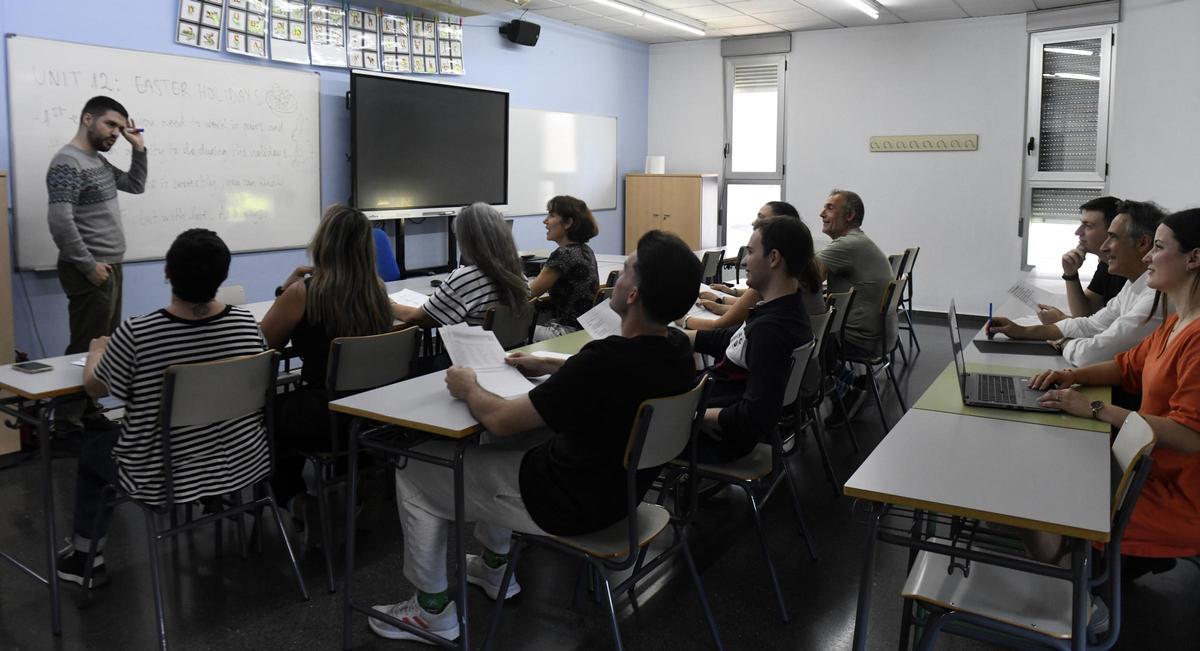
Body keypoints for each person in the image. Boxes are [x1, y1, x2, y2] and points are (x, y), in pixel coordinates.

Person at [367, 231, 701, 643]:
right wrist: (554, 365)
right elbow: (612, 379)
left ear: (633, 294)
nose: (617, 276)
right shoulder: (676, 351)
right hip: (617, 499)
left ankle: (429, 611)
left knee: (417, 466)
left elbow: (501, 419)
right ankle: (494, 567)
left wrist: (469, 386)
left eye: (627, 269)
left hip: (563, 503)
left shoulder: (604, 361)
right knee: (505, 445)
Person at [56, 229, 267, 587]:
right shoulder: (246, 324)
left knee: (93, 453)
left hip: (162, 476)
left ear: (167, 272)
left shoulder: (138, 334)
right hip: (243, 462)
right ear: (224, 275)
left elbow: (95, 387)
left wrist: (96, 352)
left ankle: (85, 558)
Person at [1028, 209, 1200, 573]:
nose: (1149, 257)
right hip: (1144, 466)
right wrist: (1072, 376)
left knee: (1043, 503)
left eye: (1159, 247)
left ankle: (1077, 588)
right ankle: (1080, 572)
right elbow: (1126, 367)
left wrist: (1094, 408)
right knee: (1045, 475)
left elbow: (1189, 435)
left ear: (1194, 258)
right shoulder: (1176, 322)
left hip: (1178, 492)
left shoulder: (1197, 338)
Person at [259, 204, 394, 527]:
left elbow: (262, 346)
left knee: (264, 415)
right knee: (295, 408)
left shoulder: (304, 293)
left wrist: (284, 291)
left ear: (324, 242)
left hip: (326, 414)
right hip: (372, 410)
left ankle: (295, 499)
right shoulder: (377, 290)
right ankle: (357, 480)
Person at [47, 96, 147, 426]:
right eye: (110, 124)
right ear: (88, 119)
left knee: (103, 344)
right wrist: (88, 265)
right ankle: (67, 422)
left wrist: (138, 149)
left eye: (120, 127)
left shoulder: (97, 161)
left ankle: (88, 412)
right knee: (85, 345)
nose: (116, 133)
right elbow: (60, 221)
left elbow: (134, 185)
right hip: (89, 267)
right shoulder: (68, 162)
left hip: (109, 265)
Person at [687, 218, 815, 462]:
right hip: (713, 413)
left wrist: (692, 416)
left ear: (774, 258)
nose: (744, 261)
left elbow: (755, 414)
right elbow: (730, 340)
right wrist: (675, 337)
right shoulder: (784, 309)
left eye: (751, 252)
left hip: (716, 435)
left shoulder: (771, 331)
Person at [988, 200, 1166, 367]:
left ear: (1143, 243)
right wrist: (1021, 331)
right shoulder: (1133, 284)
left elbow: (1091, 354)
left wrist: (1063, 342)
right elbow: (1091, 324)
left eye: (1112, 237)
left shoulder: (1156, 297)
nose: (1104, 247)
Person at [689, 200, 825, 332]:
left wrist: (684, 318)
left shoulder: (774, 277)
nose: (754, 223)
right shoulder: (799, 268)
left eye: (761, 218)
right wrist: (723, 298)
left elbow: (723, 323)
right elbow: (748, 309)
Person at [391, 202, 528, 328]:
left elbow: (417, 318)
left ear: (469, 240)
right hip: (510, 346)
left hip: (473, 346)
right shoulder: (519, 275)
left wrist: (388, 304)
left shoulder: (466, 278)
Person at [814, 189, 896, 359]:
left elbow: (806, 278)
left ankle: (829, 374)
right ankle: (838, 373)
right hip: (881, 339)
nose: (821, 213)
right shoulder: (859, 241)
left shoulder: (848, 244)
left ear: (849, 215)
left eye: (830, 208)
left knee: (792, 332)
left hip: (859, 342)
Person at [1037, 196, 1126, 324]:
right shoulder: (1105, 264)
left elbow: (1117, 328)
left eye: (1088, 226)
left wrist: (1062, 320)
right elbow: (1085, 312)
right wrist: (1070, 274)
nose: (1078, 232)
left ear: (1112, 230)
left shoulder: (1130, 269)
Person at [527, 195, 599, 341]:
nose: (545, 221)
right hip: (586, 331)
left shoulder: (563, 254)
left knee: (506, 331)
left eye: (551, 215)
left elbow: (528, 294)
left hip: (567, 332)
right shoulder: (586, 250)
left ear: (568, 223)